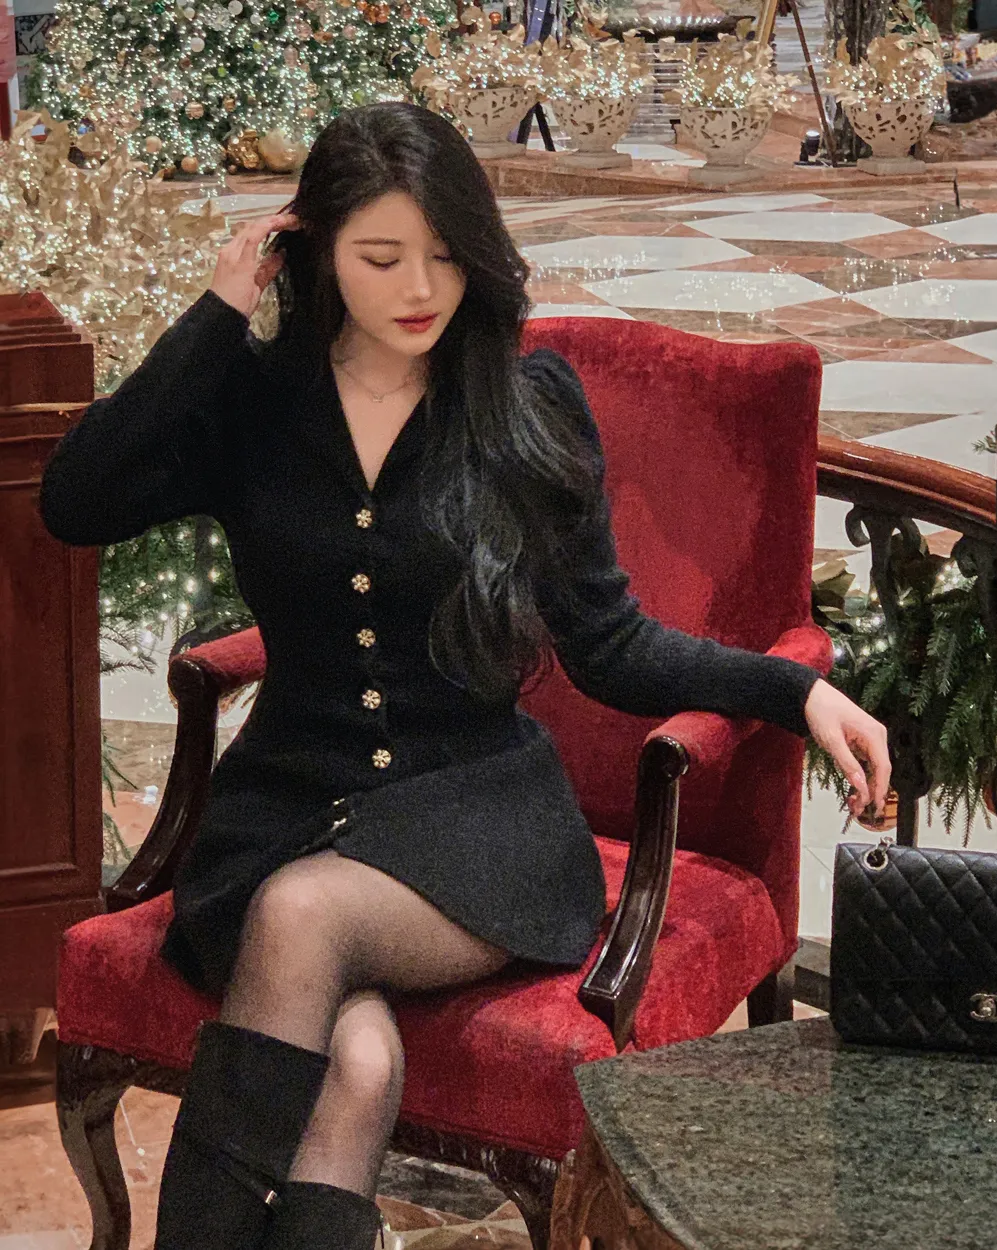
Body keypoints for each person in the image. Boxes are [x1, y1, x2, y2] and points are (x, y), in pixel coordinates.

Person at [38, 101, 890, 1250]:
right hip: (284, 806)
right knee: (357, 1059)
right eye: (380, 256)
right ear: (315, 254)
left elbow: (611, 643)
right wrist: (217, 313)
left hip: (478, 823)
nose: (418, 287)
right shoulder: (252, 405)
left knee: (302, 916)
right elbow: (75, 500)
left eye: (443, 252)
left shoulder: (524, 406)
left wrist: (796, 689)